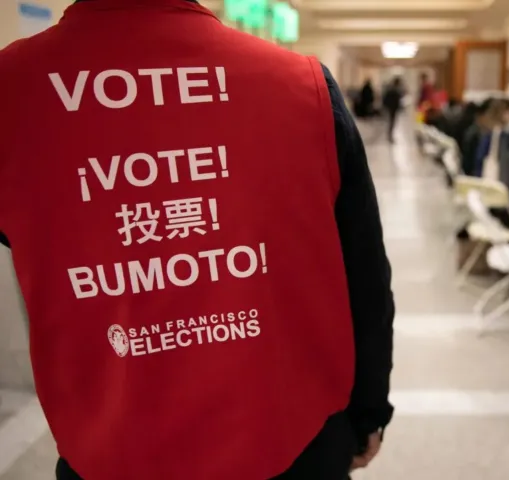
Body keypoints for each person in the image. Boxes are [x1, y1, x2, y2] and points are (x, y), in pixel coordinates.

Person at [0, 1, 395, 479]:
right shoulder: (301, 85)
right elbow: (365, 275)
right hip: (295, 440)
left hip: (110, 446)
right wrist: (369, 411)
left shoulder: (13, 91)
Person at [383, 76, 404, 143]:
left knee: (392, 122)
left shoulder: (392, 89)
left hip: (391, 108)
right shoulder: (394, 90)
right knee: (392, 122)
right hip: (393, 108)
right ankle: (390, 136)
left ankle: (390, 135)